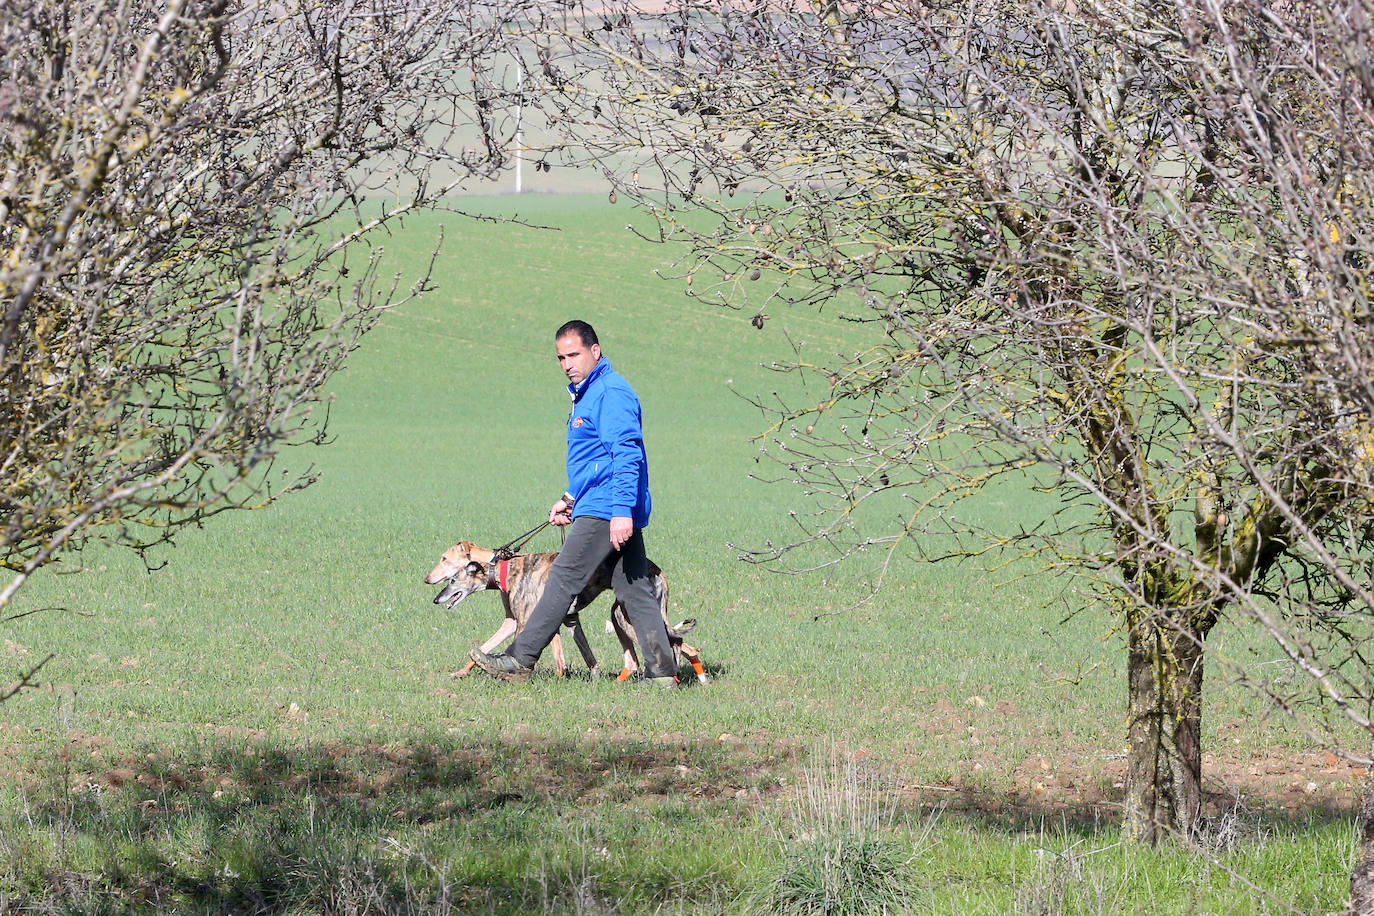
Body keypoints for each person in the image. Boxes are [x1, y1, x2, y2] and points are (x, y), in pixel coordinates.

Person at [470, 320, 680, 687]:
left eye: (574, 354)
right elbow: (595, 460)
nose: (567, 363)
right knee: (634, 589)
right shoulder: (589, 393)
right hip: (598, 502)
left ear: (595, 351)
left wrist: (619, 512)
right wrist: (570, 498)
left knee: (563, 577)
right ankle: (663, 674)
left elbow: (625, 457)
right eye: (561, 357)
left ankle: (521, 660)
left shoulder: (610, 393)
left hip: (607, 507)